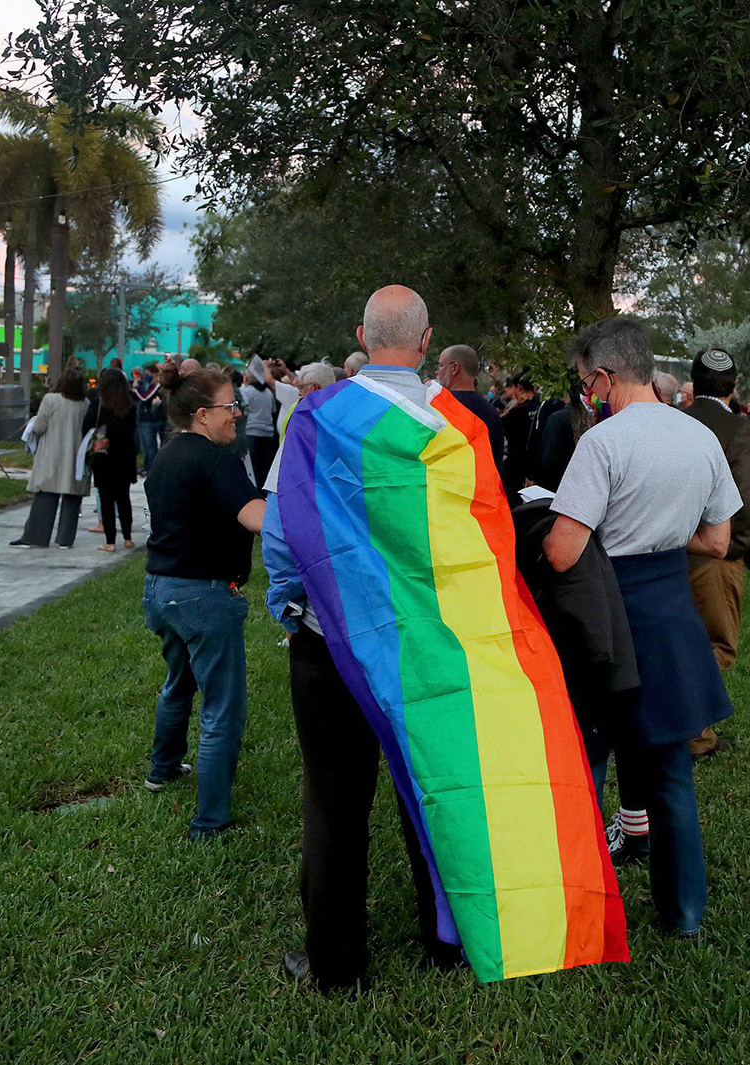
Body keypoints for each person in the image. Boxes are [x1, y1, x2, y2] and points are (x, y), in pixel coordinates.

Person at [263, 285, 484, 989]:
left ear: (362, 332)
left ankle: (336, 965)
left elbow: (284, 529)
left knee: (334, 804)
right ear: (426, 342)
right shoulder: (458, 426)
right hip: (430, 640)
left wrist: (291, 601)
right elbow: (482, 541)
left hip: (333, 643)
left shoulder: (320, 416)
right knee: (437, 785)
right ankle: (448, 942)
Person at [543, 315, 740, 939]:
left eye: (584, 381)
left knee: (587, 764)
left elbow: (562, 553)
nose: (585, 392)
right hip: (671, 616)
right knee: (669, 774)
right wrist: (658, 529)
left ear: (603, 377)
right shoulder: (701, 437)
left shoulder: (601, 443)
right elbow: (717, 540)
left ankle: (576, 909)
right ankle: (683, 916)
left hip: (607, 615)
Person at [141, 363, 266, 840]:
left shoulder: (167, 455)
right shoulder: (215, 460)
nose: (236, 413)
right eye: (229, 406)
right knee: (222, 710)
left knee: (179, 682)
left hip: (160, 591)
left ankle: (163, 768)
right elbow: (256, 517)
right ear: (202, 414)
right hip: (203, 597)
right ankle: (211, 822)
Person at [682, 348, 750, 758]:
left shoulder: (674, 420)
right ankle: (694, 735)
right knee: (716, 645)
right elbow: (747, 502)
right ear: (734, 387)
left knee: (674, 641)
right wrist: (734, 547)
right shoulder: (740, 429)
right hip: (713, 554)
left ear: (693, 384)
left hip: (665, 550)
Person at [11, 367, 91, 549]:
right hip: (76, 456)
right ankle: (65, 539)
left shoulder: (51, 399)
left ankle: (36, 537)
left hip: (52, 454)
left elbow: (39, 427)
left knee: (45, 494)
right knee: (72, 496)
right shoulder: (85, 403)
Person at [82, 366, 139, 553]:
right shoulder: (130, 405)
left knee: (106, 499)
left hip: (103, 456)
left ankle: (110, 541)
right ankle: (128, 537)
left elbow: (86, 427)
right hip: (125, 456)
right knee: (124, 498)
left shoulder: (98, 404)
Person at [435, 343, 505, 477]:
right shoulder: (491, 411)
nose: (438, 372)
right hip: (484, 489)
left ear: (454, 368)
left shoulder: (440, 407)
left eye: (440, 366)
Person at [499, 374, 539, 494]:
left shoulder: (516, 412)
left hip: (516, 465)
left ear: (519, 388)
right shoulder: (541, 407)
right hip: (535, 465)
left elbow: (501, 426)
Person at [240, 366, 280, 487]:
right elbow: (273, 411)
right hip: (267, 433)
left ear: (247, 378)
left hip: (252, 432)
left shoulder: (247, 391)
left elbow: (243, 409)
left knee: (253, 467)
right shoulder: (268, 393)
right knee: (265, 466)